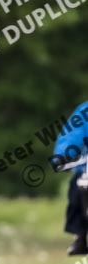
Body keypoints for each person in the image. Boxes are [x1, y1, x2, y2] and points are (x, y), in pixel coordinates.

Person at [53, 100, 88, 255]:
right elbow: (73, 135)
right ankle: (80, 236)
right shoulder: (85, 112)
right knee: (75, 193)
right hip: (86, 166)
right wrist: (63, 156)